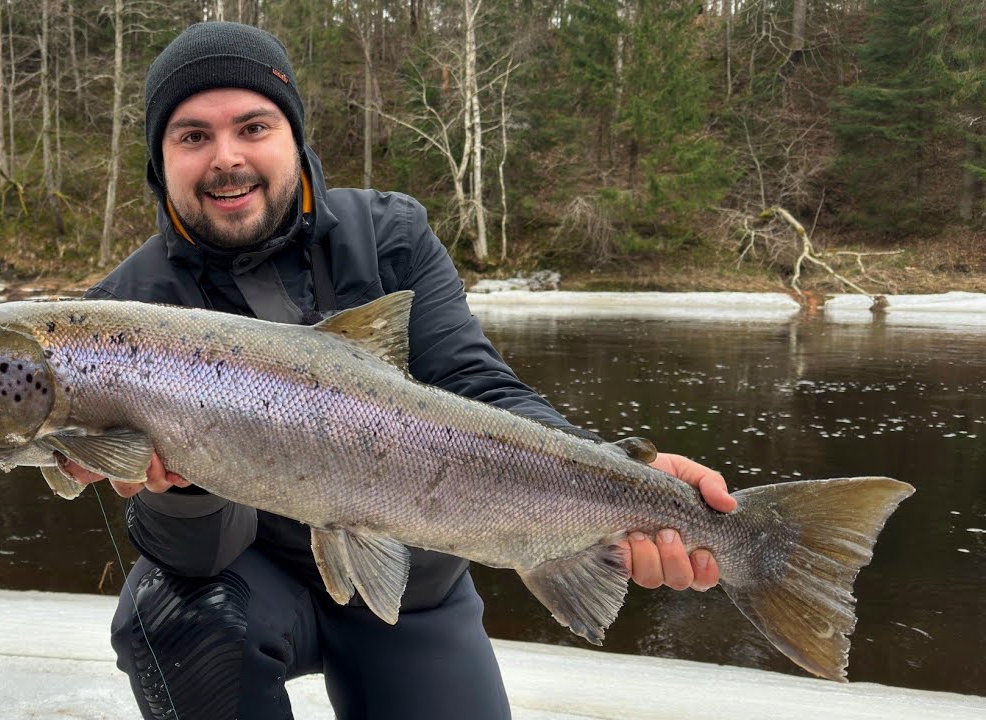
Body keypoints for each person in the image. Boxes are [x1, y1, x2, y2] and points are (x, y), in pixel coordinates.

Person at [62, 21, 737, 720]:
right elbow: (194, 556)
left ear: (294, 135)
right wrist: (177, 490)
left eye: (253, 127)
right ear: (159, 158)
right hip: (242, 583)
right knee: (165, 614)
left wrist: (624, 476)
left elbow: (482, 390)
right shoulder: (120, 314)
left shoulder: (390, 236)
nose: (226, 158)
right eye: (193, 136)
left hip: (416, 579)